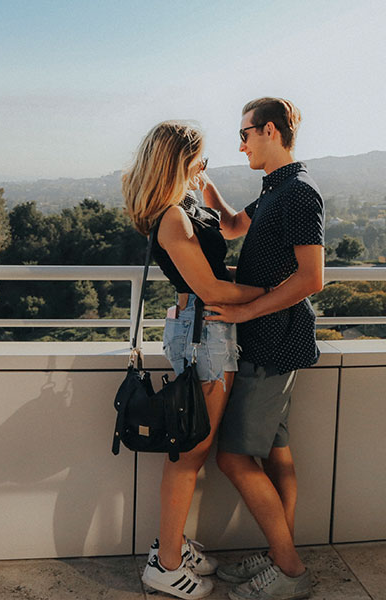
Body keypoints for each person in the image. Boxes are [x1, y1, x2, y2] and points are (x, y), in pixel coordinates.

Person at [123, 121, 267, 599]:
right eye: (199, 159)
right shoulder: (172, 218)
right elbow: (209, 288)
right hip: (204, 332)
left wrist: (207, 186)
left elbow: (230, 230)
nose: (205, 165)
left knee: (193, 449)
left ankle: (172, 546)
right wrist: (275, 291)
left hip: (207, 330)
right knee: (191, 452)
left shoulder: (186, 204)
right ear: (179, 161)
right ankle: (165, 564)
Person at [203, 97, 324, 600]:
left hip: (273, 342)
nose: (241, 145)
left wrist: (245, 312)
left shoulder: (299, 193)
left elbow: (312, 278)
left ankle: (290, 571)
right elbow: (232, 227)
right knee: (276, 452)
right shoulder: (276, 188)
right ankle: (279, 554)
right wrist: (203, 185)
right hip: (271, 340)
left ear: (269, 131)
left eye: (245, 134)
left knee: (232, 457)